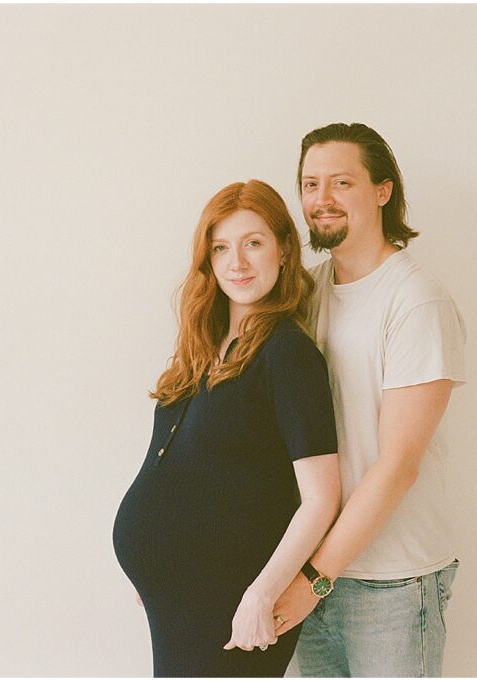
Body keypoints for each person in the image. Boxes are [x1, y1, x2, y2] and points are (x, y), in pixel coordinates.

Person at [112, 179, 341, 677]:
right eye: (221, 248)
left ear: (283, 250)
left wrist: (263, 595)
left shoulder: (288, 355)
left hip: (233, 602)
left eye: (253, 243)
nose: (236, 262)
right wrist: (150, 558)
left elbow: (322, 498)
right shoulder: (205, 346)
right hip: (176, 599)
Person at [272, 123, 467, 677]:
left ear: (383, 191)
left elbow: (398, 466)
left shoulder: (416, 301)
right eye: (310, 184)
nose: (321, 200)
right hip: (314, 567)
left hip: (393, 583)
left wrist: (313, 579)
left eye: (341, 183)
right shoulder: (304, 294)